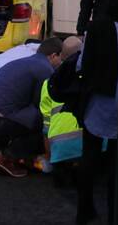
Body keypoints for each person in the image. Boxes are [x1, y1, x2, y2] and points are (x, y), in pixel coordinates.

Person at [0, 38, 66, 178]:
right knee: (43, 120)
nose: (60, 63)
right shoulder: (45, 69)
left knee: (17, 109)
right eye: (61, 59)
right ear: (53, 55)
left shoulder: (21, 61)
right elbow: (42, 104)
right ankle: (6, 156)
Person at [76, 0, 118, 224]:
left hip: (96, 101)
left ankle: (84, 209)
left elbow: (81, 65)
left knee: (89, 157)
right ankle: (115, 213)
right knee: (116, 163)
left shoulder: (96, 29)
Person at [39, 36, 85, 172]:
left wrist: (49, 157)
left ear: (61, 57)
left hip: (60, 151)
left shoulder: (48, 84)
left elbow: (46, 127)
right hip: (91, 149)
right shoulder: (90, 81)